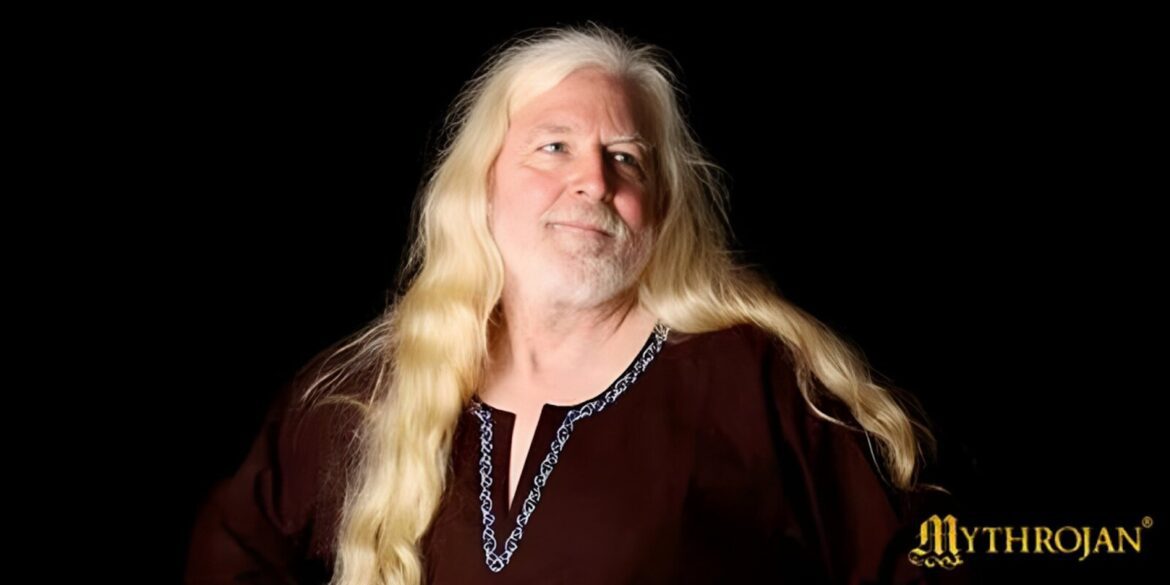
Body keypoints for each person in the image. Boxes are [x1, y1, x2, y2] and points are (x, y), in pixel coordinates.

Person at [186, 22, 964, 585]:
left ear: (658, 204)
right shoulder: (360, 390)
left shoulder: (755, 379)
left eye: (625, 157)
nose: (594, 181)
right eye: (553, 145)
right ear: (482, 178)